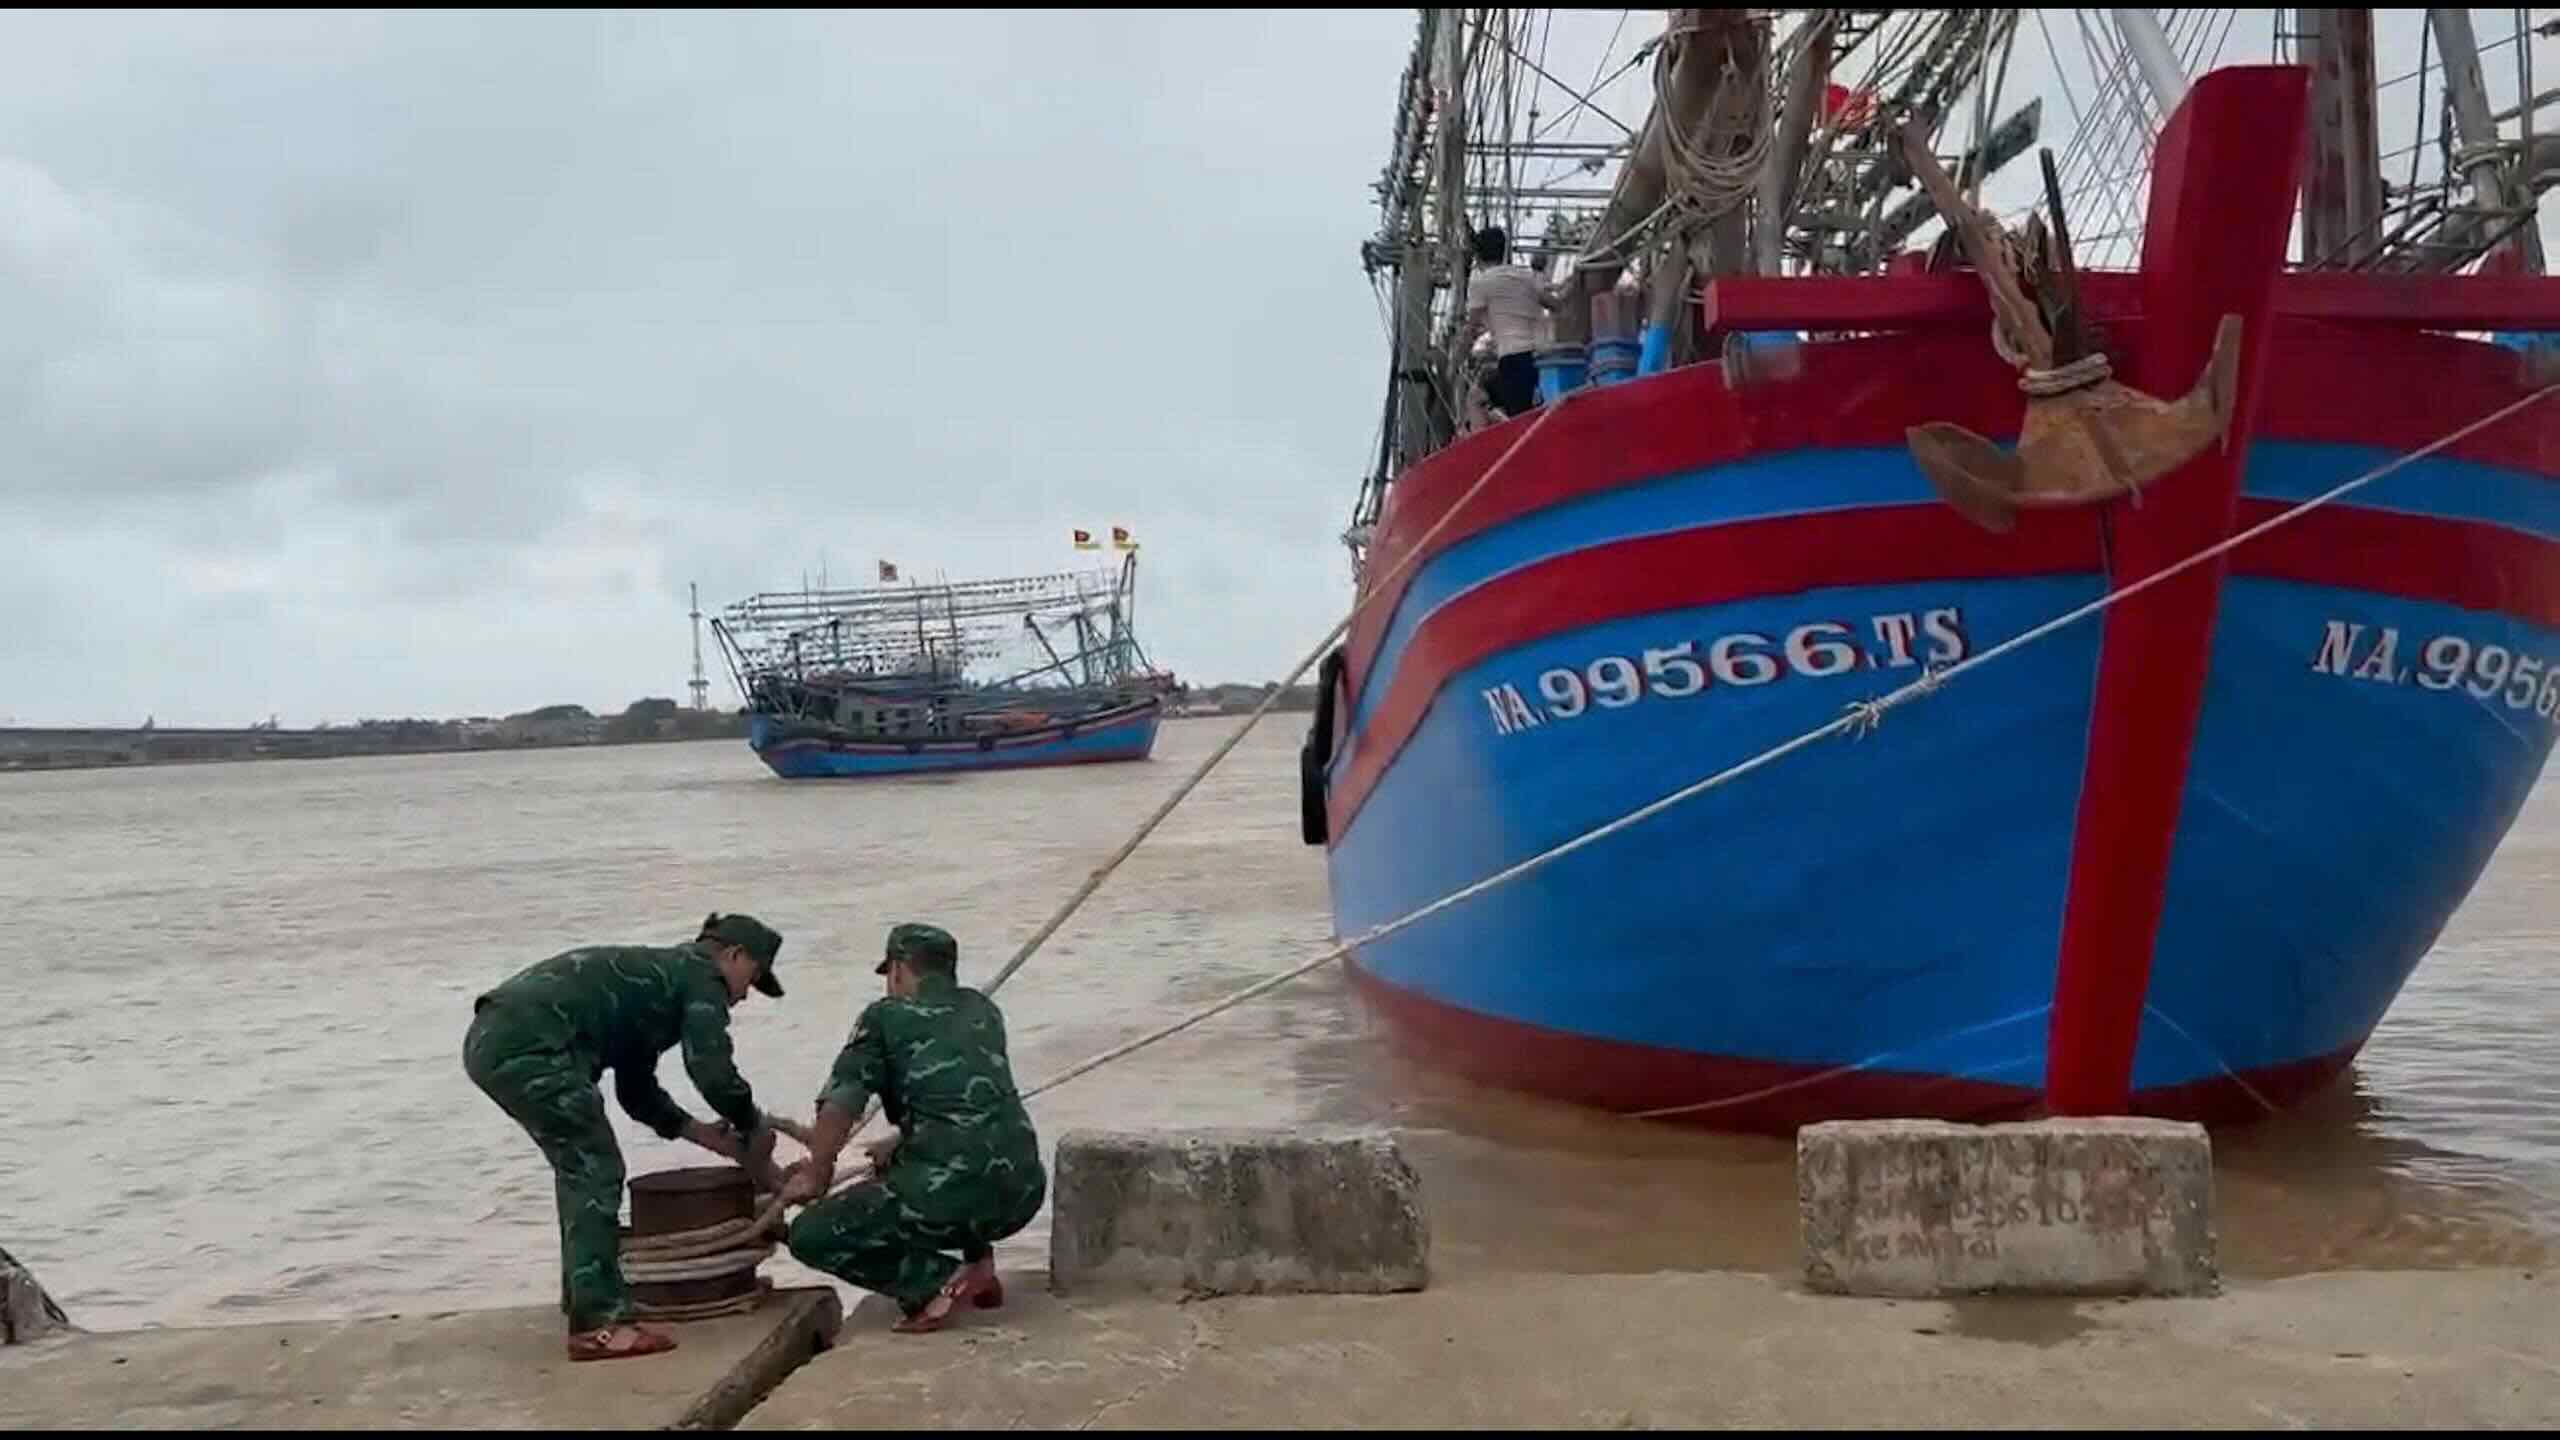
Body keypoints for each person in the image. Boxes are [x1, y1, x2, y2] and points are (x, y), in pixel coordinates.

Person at [462, 912, 788, 1363]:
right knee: (595, 1168)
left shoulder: (659, 982)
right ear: (733, 956)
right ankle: (599, 1326)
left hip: (496, 1039)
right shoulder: (702, 979)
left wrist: (705, 1136)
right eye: (751, 979)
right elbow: (712, 1072)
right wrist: (751, 1124)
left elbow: (636, 1092)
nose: (745, 995)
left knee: (579, 1169)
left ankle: (586, 1299)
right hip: (531, 1046)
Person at [780, 922, 1045, 1335]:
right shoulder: (982, 1010)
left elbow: (841, 1102)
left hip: (956, 1195)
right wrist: (901, 1143)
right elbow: (964, 1106)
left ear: (899, 970)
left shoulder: (884, 1017)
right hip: (1023, 1194)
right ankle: (979, 1265)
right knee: (936, 1166)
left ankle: (936, 1282)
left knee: (811, 1234)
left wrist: (818, 1172)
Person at [1460, 224, 1560, 419]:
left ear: (1477, 256)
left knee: (1482, 400)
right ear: (1504, 251)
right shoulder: (1527, 276)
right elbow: (1556, 305)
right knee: (1540, 413)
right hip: (1544, 356)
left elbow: (1471, 327)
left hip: (1514, 357)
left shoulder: (1481, 283)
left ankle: (1483, 438)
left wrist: (1457, 357)